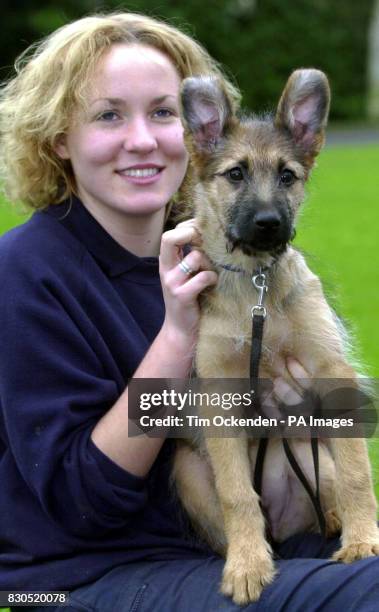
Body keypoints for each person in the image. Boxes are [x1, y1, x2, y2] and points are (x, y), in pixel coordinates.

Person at [0, 12, 377, 612]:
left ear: (197, 131)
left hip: (233, 543)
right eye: (108, 115)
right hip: (80, 578)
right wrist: (178, 338)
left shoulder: (233, 255)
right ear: (57, 138)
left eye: (163, 112)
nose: (143, 139)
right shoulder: (24, 270)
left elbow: (345, 405)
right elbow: (80, 501)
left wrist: (303, 408)